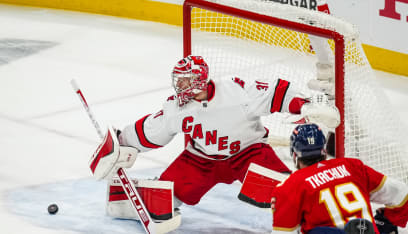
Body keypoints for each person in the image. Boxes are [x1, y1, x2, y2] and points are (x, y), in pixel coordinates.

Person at [90, 55, 340, 221]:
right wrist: (122, 142)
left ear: (200, 79)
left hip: (248, 153)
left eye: (186, 80)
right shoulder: (177, 108)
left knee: (284, 192)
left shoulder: (237, 92)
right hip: (201, 161)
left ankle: (314, 217)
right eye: (179, 80)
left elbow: (276, 93)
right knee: (161, 202)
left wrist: (305, 104)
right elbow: (152, 130)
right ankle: (125, 200)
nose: (180, 85)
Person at [270, 123, 408, 234]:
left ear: (295, 156)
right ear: (324, 151)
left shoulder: (289, 186)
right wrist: (388, 220)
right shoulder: (353, 166)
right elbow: (402, 193)